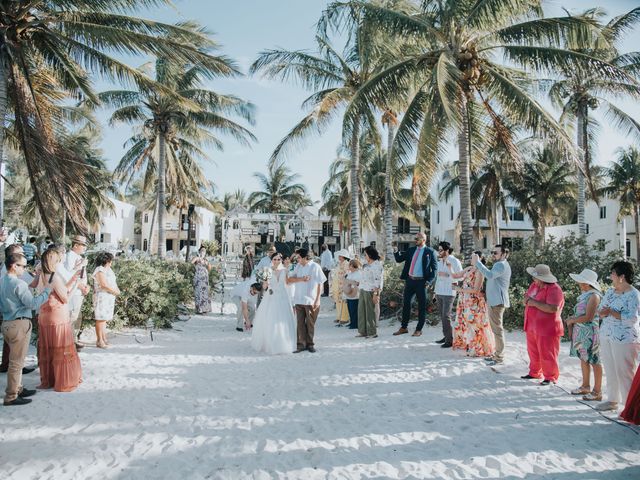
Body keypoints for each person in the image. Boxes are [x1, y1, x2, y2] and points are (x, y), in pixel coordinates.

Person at [0, 253, 51, 405]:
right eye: (22, 265)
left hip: (7, 322)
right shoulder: (19, 284)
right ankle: (11, 396)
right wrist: (47, 292)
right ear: (14, 266)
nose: (24, 268)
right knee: (16, 363)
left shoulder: (2, 281)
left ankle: (18, 388)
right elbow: (33, 304)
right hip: (19, 323)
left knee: (15, 360)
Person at [595, 260, 640, 412]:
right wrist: (602, 312)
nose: (611, 276)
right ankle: (612, 400)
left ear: (622, 276)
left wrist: (612, 313)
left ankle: (630, 408)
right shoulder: (610, 292)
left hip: (625, 338)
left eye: (613, 274)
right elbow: (601, 310)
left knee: (625, 372)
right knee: (610, 369)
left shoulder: (634, 295)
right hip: (607, 335)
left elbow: (632, 319)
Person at [35, 249, 82, 392]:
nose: (60, 262)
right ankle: (62, 381)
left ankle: (49, 380)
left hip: (44, 316)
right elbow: (65, 297)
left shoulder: (42, 275)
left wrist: (74, 278)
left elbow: (57, 290)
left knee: (49, 349)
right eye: (58, 260)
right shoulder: (54, 277)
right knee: (61, 350)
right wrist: (76, 285)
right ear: (53, 261)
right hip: (57, 317)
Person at [521, 264, 565, 385]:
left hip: (547, 328)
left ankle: (550, 377)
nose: (533, 279)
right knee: (533, 351)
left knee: (548, 353)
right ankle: (534, 372)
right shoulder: (534, 285)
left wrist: (533, 303)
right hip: (532, 325)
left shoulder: (554, 289)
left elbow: (553, 308)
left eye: (535, 277)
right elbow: (527, 298)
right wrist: (526, 300)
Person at [565, 269, 603, 401]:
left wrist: (572, 320)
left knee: (594, 361)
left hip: (590, 332)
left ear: (587, 283)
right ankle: (585, 385)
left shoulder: (594, 296)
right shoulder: (585, 294)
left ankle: (597, 391)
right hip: (581, 332)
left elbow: (589, 317)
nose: (578, 283)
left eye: (581, 281)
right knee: (583, 359)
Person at [392, 232, 438, 337]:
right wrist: (395, 249)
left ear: (423, 240)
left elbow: (435, 269)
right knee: (406, 304)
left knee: (421, 306)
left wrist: (428, 282)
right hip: (410, 281)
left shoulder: (430, 252)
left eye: (417, 238)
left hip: (422, 283)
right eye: (415, 238)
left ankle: (419, 329)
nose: (415, 240)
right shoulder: (411, 250)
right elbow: (399, 259)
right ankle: (404, 327)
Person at [251, 252, 297, 354]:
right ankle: (270, 343)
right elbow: (264, 287)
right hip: (271, 296)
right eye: (274, 259)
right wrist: (265, 282)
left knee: (283, 319)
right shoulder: (267, 270)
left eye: (278, 259)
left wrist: (300, 279)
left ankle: (284, 342)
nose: (276, 261)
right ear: (271, 260)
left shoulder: (285, 270)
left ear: (281, 260)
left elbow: (288, 282)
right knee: (270, 318)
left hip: (283, 296)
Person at [473, 245, 511, 366]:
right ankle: (497, 355)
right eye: (492, 252)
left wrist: (478, 262)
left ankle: (499, 357)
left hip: (497, 302)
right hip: (495, 301)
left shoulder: (500, 265)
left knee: (498, 330)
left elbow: (489, 275)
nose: (493, 254)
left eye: (496, 253)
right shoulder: (501, 264)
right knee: (496, 330)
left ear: (504, 254)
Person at [451, 251, 494, 357]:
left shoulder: (480, 271)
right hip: (464, 299)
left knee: (474, 324)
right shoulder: (469, 268)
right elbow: (456, 275)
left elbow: (476, 290)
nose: (472, 259)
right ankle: (468, 344)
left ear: (479, 258)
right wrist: (449, 267)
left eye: (474, 257)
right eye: (472, 257)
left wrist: (459, 289)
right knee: (466, 322)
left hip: (474, 301)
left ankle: (477, 347)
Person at [290, 248, 326, 353]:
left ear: (305, 257)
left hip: (311, 299)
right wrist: (300, 279)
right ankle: (300, 345)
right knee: (300, 324)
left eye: (299, 257)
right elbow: (291, 279)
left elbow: (320, 283)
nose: (297, 260)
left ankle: (310, 344)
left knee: (310, 324)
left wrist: (317, 299)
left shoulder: (315, 266)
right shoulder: (298, 266)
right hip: (298, 299)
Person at [432, 242, 462, 347]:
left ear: (447, 251)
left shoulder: (455, 261)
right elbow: (438, 278)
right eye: (438, 250)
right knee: (442, 316)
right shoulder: (440, 262)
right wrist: (435, 293)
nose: (439, 252)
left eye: (441, 250)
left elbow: (461, 277)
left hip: (449, 292)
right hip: (440, 292)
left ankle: (450, 340)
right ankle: (446, 336)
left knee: (446, 316)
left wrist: (448, 275)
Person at [64, 235, 90, 349]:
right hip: (74, 292)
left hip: (79, 291)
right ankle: (68, 342)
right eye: (83, 245)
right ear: (75, 245)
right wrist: (82, 287)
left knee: (77, 317)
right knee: (72, 318)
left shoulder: (78, 257)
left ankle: (73, 340)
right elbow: (70, 275)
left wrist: (86, 286)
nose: (84, 248)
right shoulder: (70, 257)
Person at [92, 252, 120, 348]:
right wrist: (115, 292)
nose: (111, 262)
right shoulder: (99, 270)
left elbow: (112, 282)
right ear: (107, 261)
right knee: (100, 319)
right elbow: (103, 284)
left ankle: (104, 338)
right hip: (101, 296)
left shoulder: (107, 269)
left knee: (104, 319)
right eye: (110, 260)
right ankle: (99, 341)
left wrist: (117, 290)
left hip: (108, 297)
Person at [357, 246, 384, 339]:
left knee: (370, 312)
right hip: (363, 289)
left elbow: (378, 281)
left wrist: (376, 294)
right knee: (361, 311)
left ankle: (372, 332)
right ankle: (363, 331)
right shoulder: (367, 264)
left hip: (371, 291)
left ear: (370, 255)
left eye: (366, 254)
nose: (365, 256)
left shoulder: (377, 266)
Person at [331, 249, 352, 326]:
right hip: (338, 285)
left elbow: (347, 274)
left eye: (340, 256)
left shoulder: (346, 264)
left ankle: (344, 318)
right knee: (338, 301)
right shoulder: (340, 263)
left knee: (343, 302)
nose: (339, 257)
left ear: (343, 256)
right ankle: (339, 316)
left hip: (343, 285)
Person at [191, 246, 212, 314]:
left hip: (205, 278)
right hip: (198, 277)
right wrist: (197, 261)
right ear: (199, 251)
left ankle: (205, 308)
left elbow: (210, 268)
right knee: (198, 292)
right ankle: (199, 309)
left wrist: (207, 265)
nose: (203, 252)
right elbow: (191, 263)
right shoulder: (196, 258)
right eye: (202, 251)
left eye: (204, 251)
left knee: (205, 293)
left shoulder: (206, 260)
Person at [344, 258, 362, 330]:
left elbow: (359, 283)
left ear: (354, 266)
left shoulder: (359, 274)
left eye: (350, 266)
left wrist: (353, 283)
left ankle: (355, 323)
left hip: (355, 294)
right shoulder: (350, 274)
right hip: (349, 293)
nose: (349, 267)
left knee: (354, 309)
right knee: (350, 309)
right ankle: (352, 322)